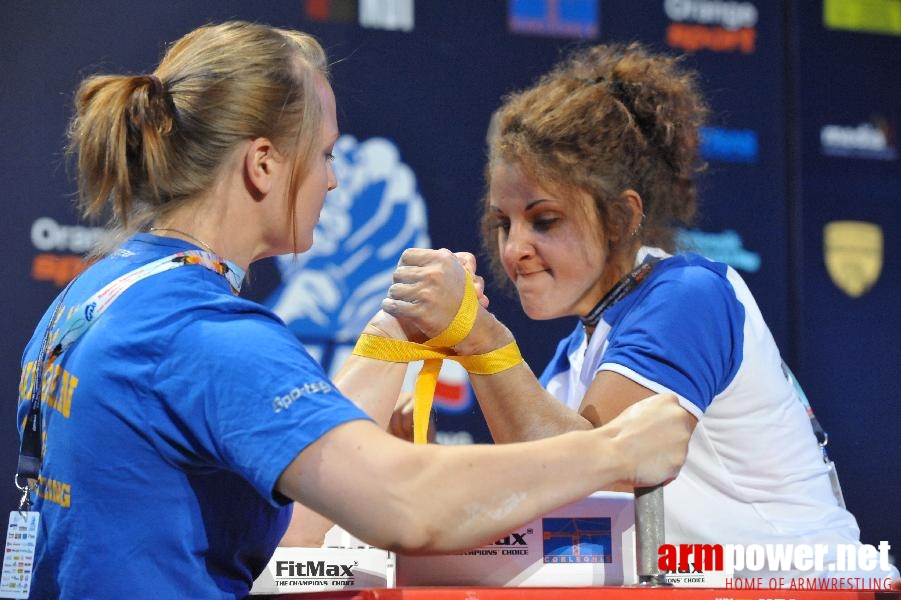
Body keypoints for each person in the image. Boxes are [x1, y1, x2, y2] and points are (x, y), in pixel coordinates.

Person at [16, 23, 693, 599]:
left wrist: (389, 336)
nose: (333, 178)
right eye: (325, 154)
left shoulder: (98, 296)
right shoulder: (200, 333)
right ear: (262, 165)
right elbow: (404, 505)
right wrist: (613, 450)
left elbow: (299, 528)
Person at [382, 42, 900, 586]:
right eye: (504, 223)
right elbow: (535, 506)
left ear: (621, 217)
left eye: (545, 220)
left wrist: (478, 335)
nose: (513, 249)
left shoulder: (687, 295)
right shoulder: (577, 352)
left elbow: (588, 469)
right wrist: (418, 460)